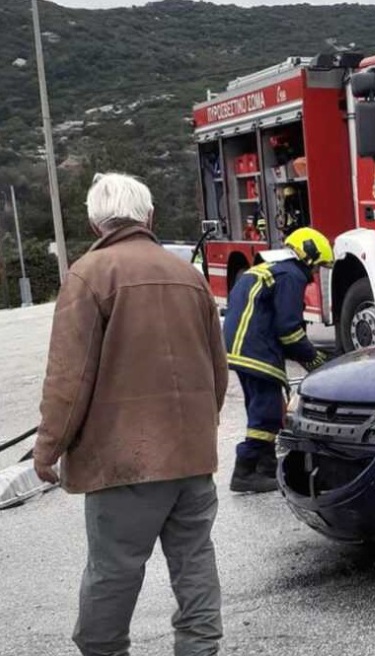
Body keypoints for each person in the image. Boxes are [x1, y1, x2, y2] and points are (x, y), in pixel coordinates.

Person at [33, 172, 229, 656]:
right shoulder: (190, 276)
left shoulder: (89, 275)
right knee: (194, 562)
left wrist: (48, 447)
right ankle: (200, 649)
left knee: (113, 571)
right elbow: (216, 371)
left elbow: (68, 381)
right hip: (190, 458)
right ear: (149, 216)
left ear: (95, 220)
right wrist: (199, 430)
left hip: (124, 464)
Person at [222, 227, 332, 493]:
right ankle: (245, 471)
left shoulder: (271, 268)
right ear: (308, 256)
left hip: (242, 348)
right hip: (256, 350)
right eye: (317, 268)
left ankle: (266, 468)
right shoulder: (291, 275)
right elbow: (290, 330)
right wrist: (316, 361)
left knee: (262, 407)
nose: (315, 275)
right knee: (268, 413)